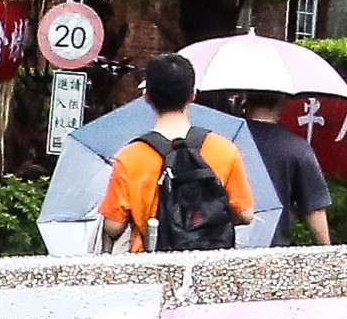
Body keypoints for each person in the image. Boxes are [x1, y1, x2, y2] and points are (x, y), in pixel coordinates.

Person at [91, 54, 249, 252]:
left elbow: (113, 226)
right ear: (193, 94)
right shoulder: (225, 150)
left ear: (147, 96)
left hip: (151, 265)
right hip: (206, 267)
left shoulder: (130, 157)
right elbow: (245, 214)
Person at [217, 87, 335, 244]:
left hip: (221, 245)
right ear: (282, 101)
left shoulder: (221, 140)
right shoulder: (296, 147)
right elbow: (315, 209)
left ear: (246, 99)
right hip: (273, 247)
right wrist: (327, 252)